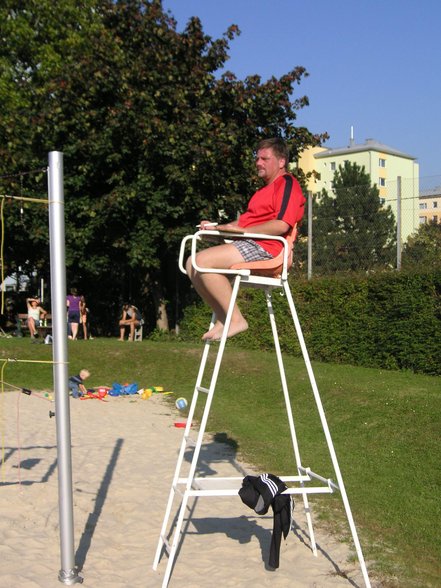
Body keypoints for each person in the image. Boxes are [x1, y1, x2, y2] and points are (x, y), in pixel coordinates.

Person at [186, 137, 306, 341]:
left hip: (269, 248)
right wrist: (216, 228)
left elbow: (281, 225)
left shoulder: (287, 184)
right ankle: (225, 317)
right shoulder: (261, 192)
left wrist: (241, 232)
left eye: (264, 158)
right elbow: (242, 225)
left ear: (281, 161)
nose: (258, 163)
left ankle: (236, 320)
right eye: (257, 158)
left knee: (201, 261)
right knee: (191, 264)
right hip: (251, 242)